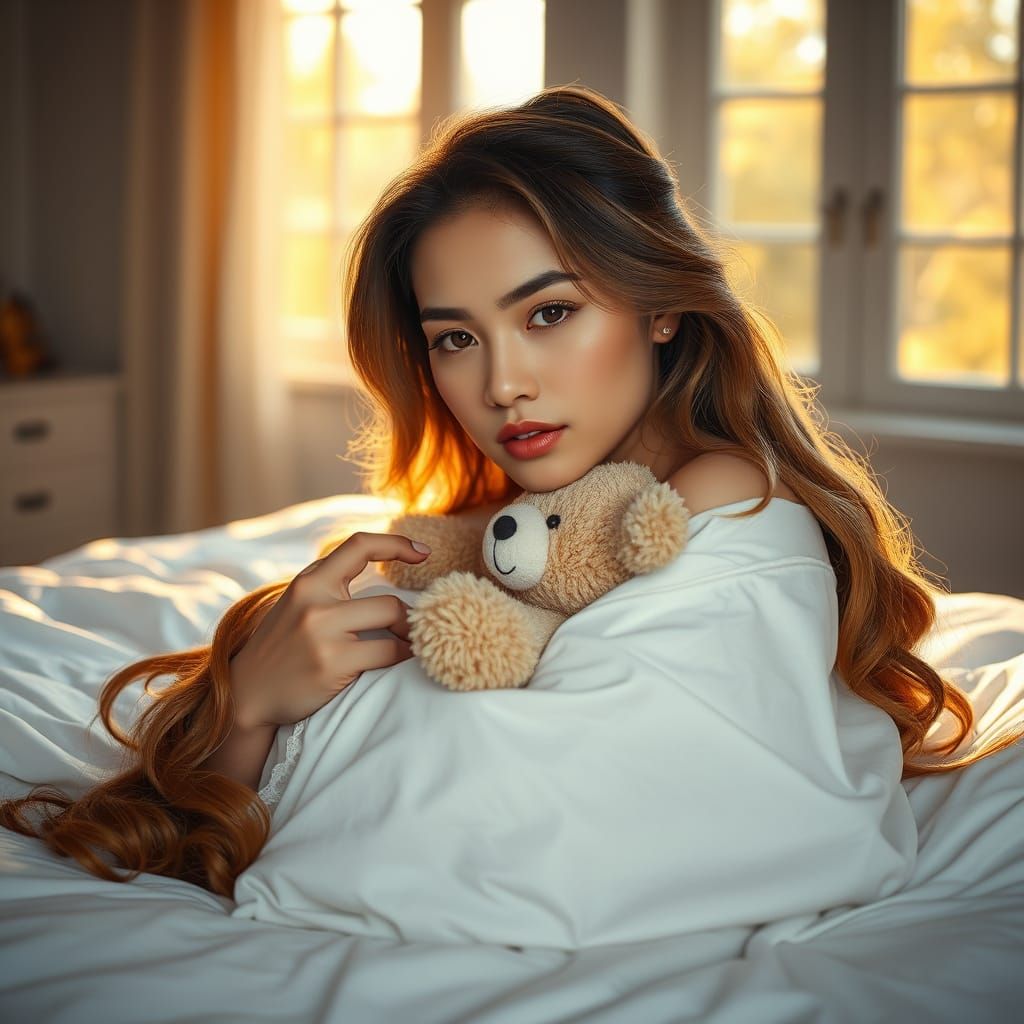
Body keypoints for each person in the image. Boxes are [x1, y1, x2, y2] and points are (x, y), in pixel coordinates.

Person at [2, 84, 1020, 900]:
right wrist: (251, 711)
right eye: (454, 337)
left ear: (660, 307)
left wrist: (269, 730)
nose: (499, 385)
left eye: (549, 313)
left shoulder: (720, 500)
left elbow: (520, 827)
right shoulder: (503, 527)